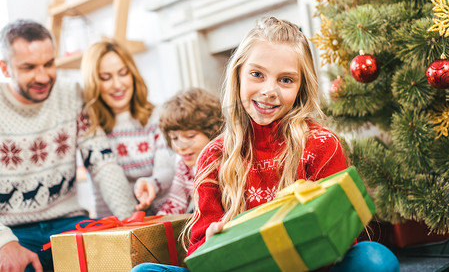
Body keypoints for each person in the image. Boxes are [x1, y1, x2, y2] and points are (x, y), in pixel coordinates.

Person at [131, 16, 399, 272]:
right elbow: (198, 251)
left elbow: (341, 236)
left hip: (311, 266)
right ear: (238, 75)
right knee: (144, 271)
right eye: (257, 74)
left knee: (375, 259)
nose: (269, 90)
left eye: (285, 80)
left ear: (300, 88)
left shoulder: (321, 145)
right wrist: (212, 241)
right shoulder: (213, 155)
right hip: (239, 268)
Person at [0, 20, 138, 272]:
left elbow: (102, 161)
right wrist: (2, 242)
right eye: (29, 67)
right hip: (12, 231)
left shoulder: (72, 95)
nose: (43, 76)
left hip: (69, 222)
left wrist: (131, 223)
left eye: (49, 64)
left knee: (119, 260)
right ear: (5, 68)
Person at [81, 39, 176, 217]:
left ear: (132, 74)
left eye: (123, 73)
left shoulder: (158, 116)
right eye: (106, 78)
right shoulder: (92, 131)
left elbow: (167, 169)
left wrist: (151, 184)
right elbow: (100, 194)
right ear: (93, 83)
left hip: (166, 214)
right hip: (121, 223)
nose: (117, 85)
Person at [135, 87, 223, 216]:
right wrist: (156, 226)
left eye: (190, 136)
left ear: (212, 131)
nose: (180, 146)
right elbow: (175, 204)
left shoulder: (225, 161)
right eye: (174, 138)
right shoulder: (184, 167)